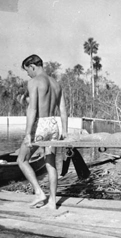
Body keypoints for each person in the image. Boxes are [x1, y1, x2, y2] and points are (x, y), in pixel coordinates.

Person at [17, 54, 68, 210]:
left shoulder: (34, 82)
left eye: (28, 71)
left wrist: (27, 133)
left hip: (40, 124)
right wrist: (64, 131)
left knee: (22, 160)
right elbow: (63, 110)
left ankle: (39, 192)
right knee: (50, 162)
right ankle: (52, 202)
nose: (28, 74)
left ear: (32, 66)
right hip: (54, 125)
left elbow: (32, 108)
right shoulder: (56, 84)